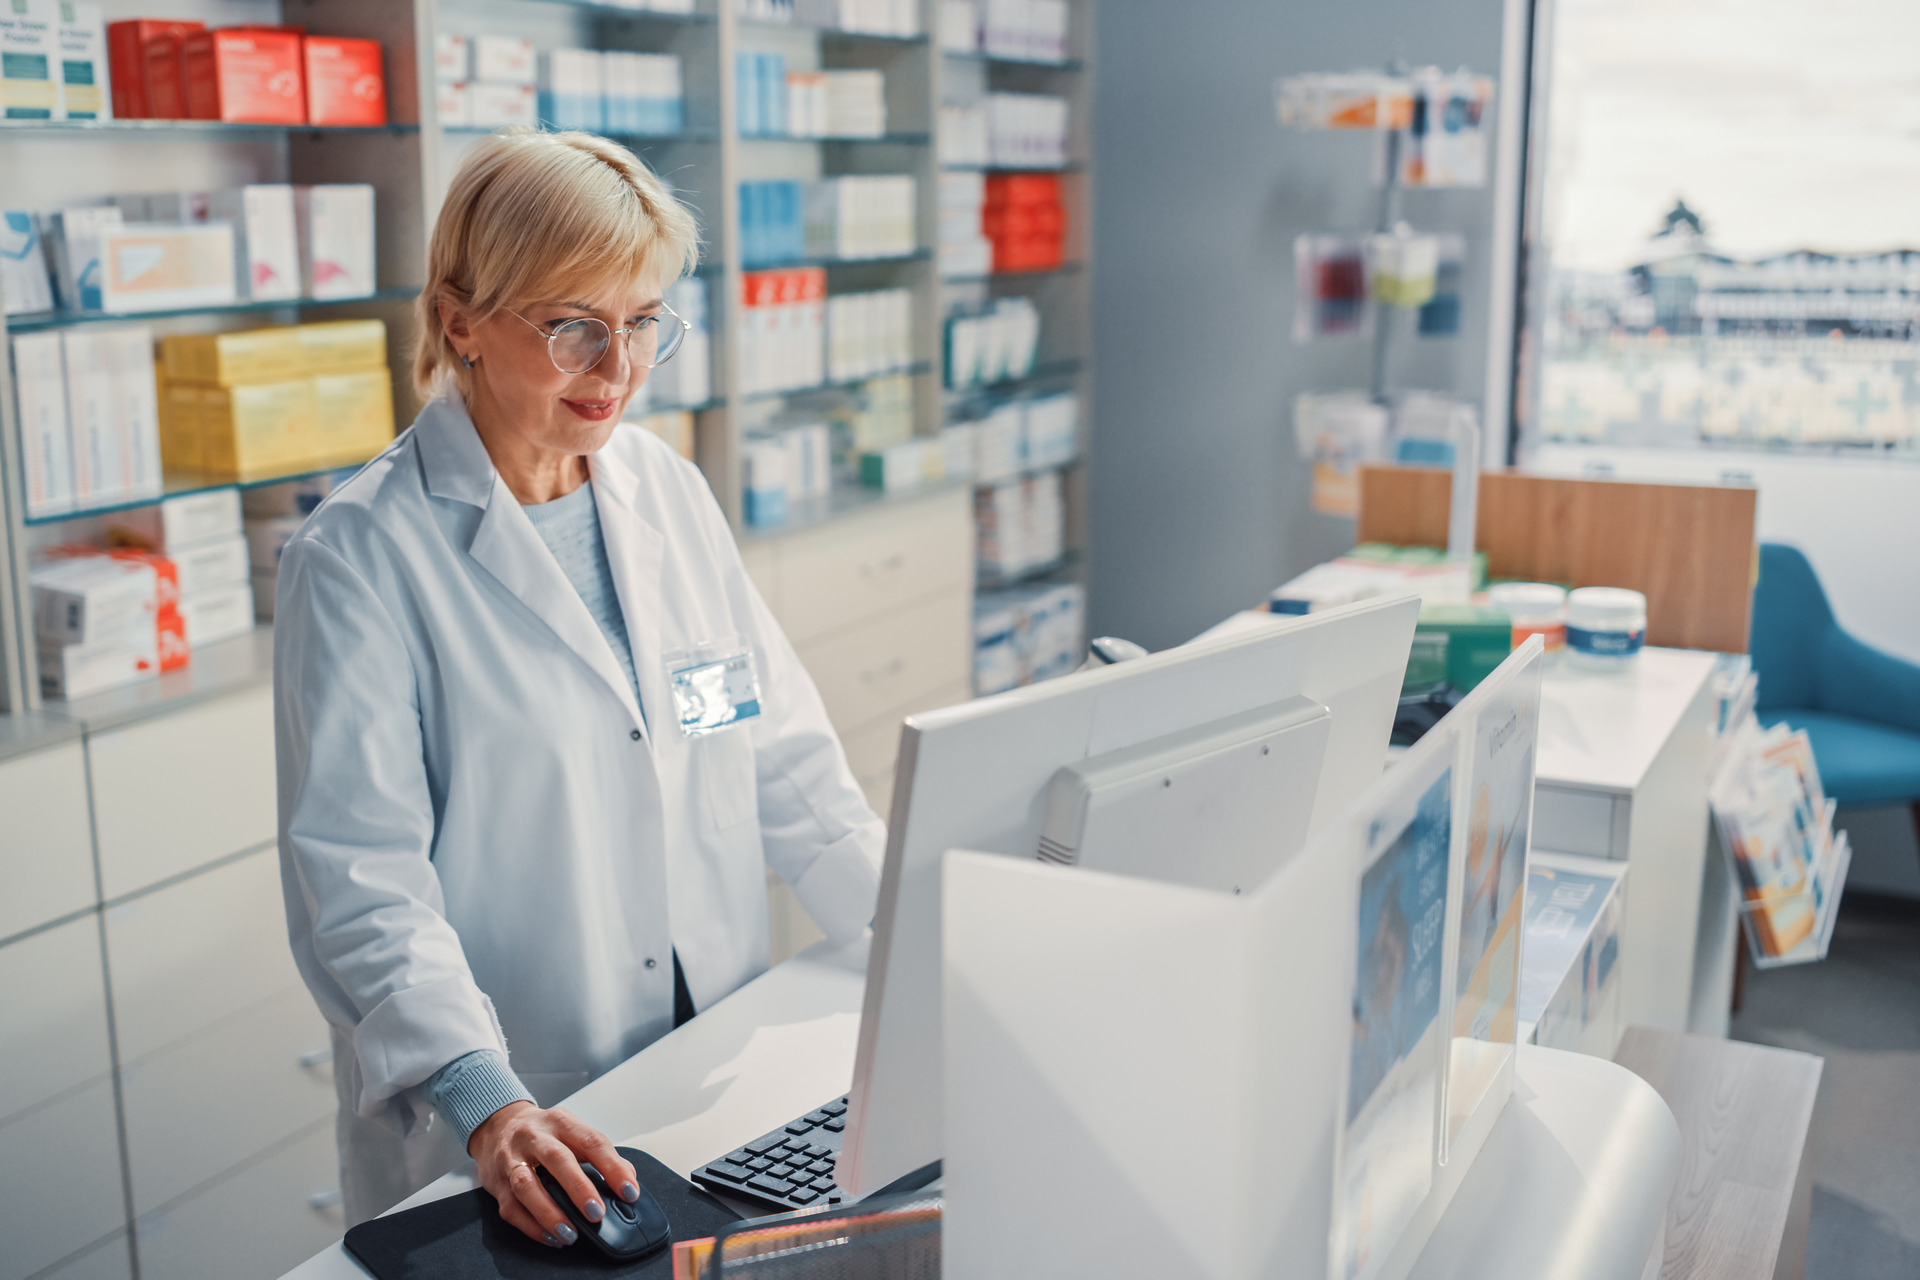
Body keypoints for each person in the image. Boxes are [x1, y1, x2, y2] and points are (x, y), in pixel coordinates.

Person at [274, 129, 885, 1243]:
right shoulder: (360, 556)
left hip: (708, 1069)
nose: (619, 369)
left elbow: (775, 753)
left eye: (644, 321)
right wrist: (486, 1100)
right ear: (460, 317)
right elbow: (365, 888)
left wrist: (920, 934)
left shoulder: (664, 489)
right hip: (521, 1119)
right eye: (573, 327)